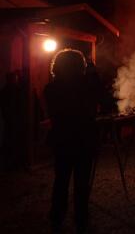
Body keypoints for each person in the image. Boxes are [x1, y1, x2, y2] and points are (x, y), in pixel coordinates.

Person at [44, 49, 100, 233]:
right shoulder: (87, 85)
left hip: (61, 138)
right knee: (82, 183)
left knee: (61, 180)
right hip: (83, 138)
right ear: (80, 65)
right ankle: (81, 219)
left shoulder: (50, 88)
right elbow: (99, 102)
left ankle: (56, 217)